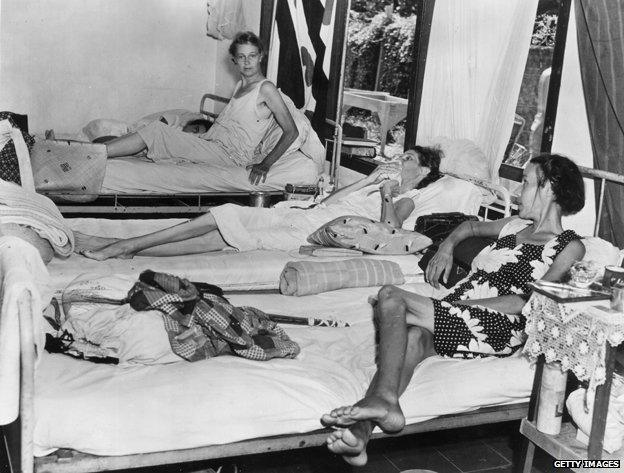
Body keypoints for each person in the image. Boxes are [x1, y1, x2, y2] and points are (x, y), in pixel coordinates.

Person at [320, 153, 586, 466]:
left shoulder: (568, 245)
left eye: (525, 182)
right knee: (413, 337)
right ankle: (363, 432)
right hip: (459, 312)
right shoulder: (515, 225)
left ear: (549, 189)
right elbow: (469, 228)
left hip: (499, 325)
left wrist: (453, 305)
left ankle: (383, 402)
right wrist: (446, 249)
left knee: (391, 296)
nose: (516, 192)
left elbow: (530, 302)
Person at [75, 146, 445, 260]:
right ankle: (121, 247)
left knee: (224, 219)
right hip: (306, 216)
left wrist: (386, 191)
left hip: (315, 234)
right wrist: (367, 180)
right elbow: (331, 201)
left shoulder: (408, 199)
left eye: (409, 158)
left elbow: (391, 229)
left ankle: (124, 245)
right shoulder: (373, 183)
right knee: (217, 237)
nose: (400, 160)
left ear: (423, 170)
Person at [102, 31, 299, 185]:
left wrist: (265, 165)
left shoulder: (266, 88)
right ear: (234, 60)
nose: (247, 62)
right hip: (212, 145)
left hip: (229, 156)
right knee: (149, 142)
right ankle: (97, 150)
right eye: (241, 57)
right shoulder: (240, 86)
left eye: (252, 56)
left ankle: (95, 153)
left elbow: (291, 132)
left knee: (155, 131)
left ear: (261, 56)